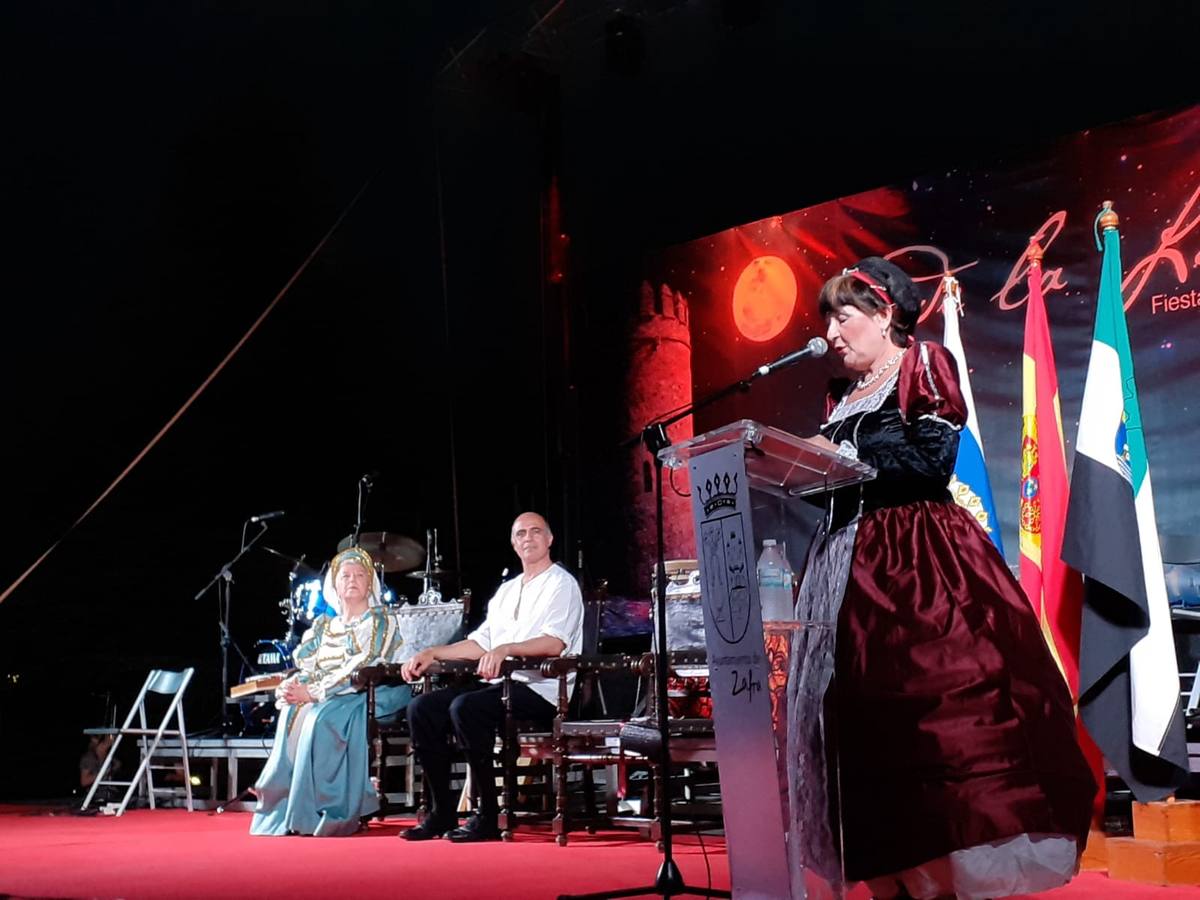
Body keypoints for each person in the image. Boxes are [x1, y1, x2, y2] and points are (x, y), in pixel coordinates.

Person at [789, 257, 1095, 899]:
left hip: (914, 564)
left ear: (884, 315)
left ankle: (945, 873)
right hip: (842, 573)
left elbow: (930, 463)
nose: (832, 334)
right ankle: (891, 873)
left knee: (933, 712)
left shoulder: (921, 364)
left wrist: (844, 455)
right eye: (828, 322)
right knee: (863, 723)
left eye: (843, 318)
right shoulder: (839, 397)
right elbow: (831, 485)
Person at [400, 511, 583, 843]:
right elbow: (480, 643)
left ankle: (487, 814)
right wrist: (433, 652)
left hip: (541, 688)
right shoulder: (507, 591)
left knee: (467, 708)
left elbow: (555, 643)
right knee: (422, 708)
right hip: (501, 685)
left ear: (550, 539)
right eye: (521, 534)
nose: (528, 538)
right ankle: (442, 812)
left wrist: (506, 649)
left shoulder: (561, 584)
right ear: (513, 543)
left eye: (536, 531)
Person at [250, 546, 409, 836]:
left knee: (320, 719)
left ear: (370, 583)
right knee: (291, 711)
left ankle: (327, 809)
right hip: (329, 691)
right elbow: (309, 664)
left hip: (372, 690)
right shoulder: (325, 625)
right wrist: (295, 687)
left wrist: (314, 693)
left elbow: (364, 665)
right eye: (345, 575)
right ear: (334, 585)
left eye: (360, 575)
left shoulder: (379, 621)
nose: (352, 580)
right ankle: (287, 808)